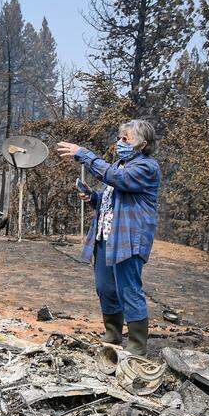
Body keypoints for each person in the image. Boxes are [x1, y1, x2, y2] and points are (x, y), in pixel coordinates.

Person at [56, 120, 161, 356]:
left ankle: (137, 346)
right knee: (105, 288)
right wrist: (92, 196)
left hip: (129, 240)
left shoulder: (146, 167)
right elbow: (112, 196)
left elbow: (117, 179)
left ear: (142, 144)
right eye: (120, 138)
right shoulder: (121, 164)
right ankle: (112, 335)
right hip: (106, 237)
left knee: (128, 289)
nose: (120, 142)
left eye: (127, 139)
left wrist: (83, 154)